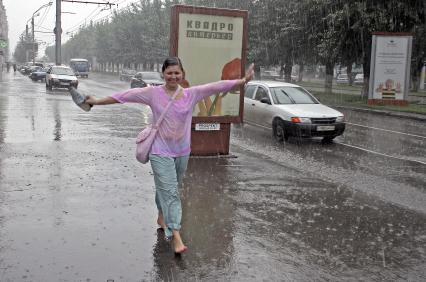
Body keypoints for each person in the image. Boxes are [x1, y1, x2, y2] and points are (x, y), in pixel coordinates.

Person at [85, 57, 254, 254]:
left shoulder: (192, 94)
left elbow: (217, 86)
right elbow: (124, 96)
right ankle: (176, 236)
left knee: (168, 189)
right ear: (163, 74)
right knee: (171, 192)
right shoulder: (152, 93)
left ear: (183, 74)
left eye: (177, 73)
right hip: (159, 150)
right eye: (169, 73)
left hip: (182, 151)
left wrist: (242, 81)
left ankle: (161, 216)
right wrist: (96, 101)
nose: (173, 76)